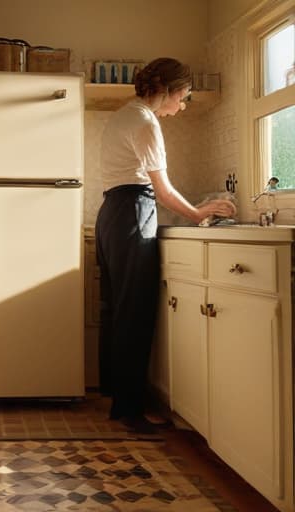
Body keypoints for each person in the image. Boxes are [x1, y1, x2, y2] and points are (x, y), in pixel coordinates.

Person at [95, 57, 236, 431]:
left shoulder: (124, 115)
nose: (183, 105)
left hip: (111, 212)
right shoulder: (145, 122)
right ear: (168, 90)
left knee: (116, 308)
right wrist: (198, 213)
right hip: (132, 213)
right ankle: (129, 411)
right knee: (135, 312)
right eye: (184, 96)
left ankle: (116, 396)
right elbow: (162, 190)